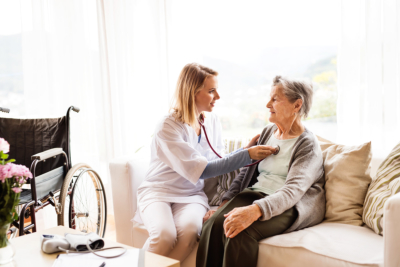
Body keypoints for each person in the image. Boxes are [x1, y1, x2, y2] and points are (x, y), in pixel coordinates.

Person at [134, 63, 276, 262]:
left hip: (191, 195)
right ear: (192, 92)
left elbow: (218, 160)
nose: (217, 96)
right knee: (164, 236)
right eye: (211, 91)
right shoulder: (168, 126)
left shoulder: (211, 121)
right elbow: (203, 170)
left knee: (190, 233)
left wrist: (244, 150)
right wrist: (247, 155)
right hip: (159, 192)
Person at [197, 76, 325, 267]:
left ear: (297, 105)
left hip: (290, 205)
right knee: (213, 224)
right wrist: (224, 204)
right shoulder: (267, 133)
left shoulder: (307, 145)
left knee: (237, 231)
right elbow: (245, 174)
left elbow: (293, 191)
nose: (268, 104)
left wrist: (255, 211)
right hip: (255, 195)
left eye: (275, 99)